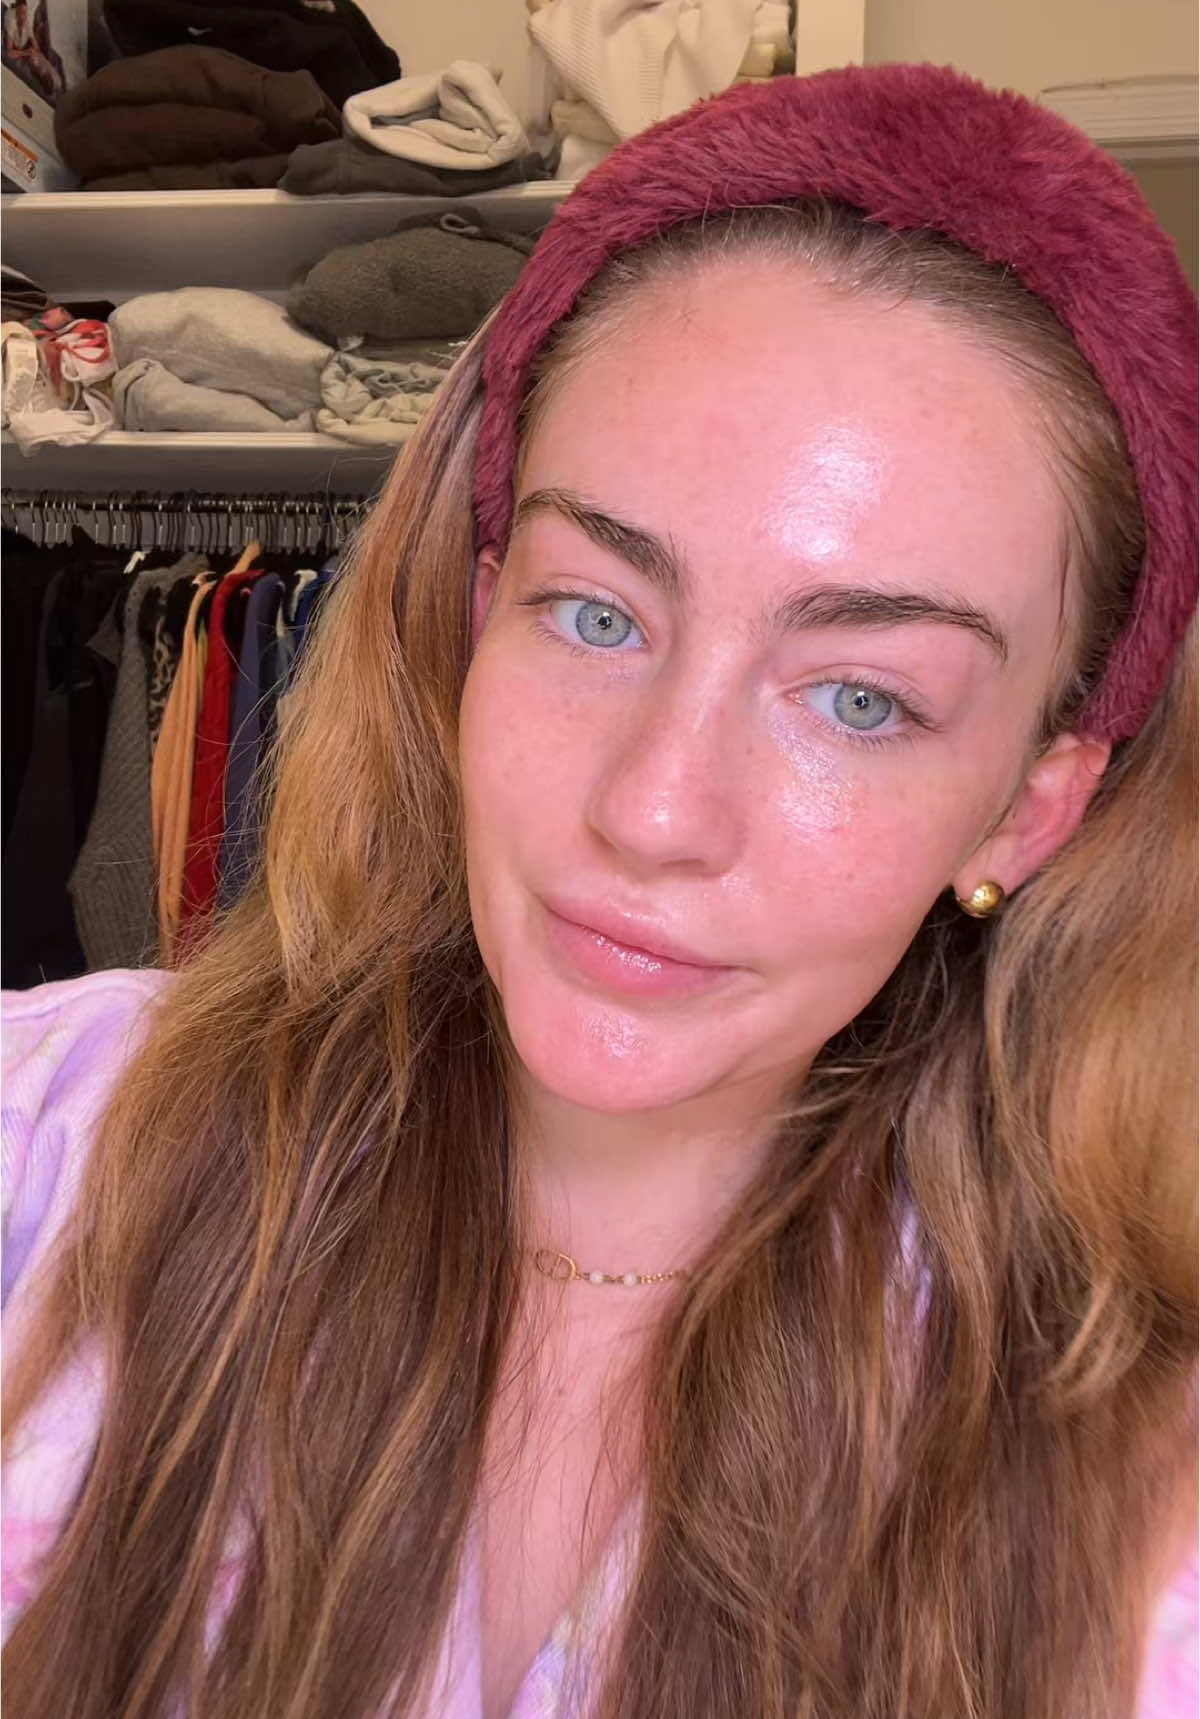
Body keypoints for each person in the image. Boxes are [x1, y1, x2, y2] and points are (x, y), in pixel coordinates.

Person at [2, 61, 1197, 1719]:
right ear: (478, 614)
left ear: (1028, 811)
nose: (655, 811)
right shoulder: (56, 1151)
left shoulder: (1142, 1499)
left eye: (862, 699)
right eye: (597, 613)